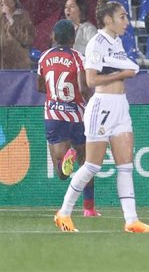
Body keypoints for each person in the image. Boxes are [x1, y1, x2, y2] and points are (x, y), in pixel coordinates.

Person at [54, 0, 149, 233]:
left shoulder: (117, 41)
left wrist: (124, 71)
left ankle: (131, 220)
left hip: (121, 106)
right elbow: (91, 80)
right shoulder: (96, 43)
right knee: (92, 165)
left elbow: (127, 69)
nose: (126, 21)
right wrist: (121, 73)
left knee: (126, 167)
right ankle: (64, 212)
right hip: (101, 106)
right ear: (108, 19)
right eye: (122, 16)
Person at [37, 20, 99, 217]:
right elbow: (82, 88)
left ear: (54, 37)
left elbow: (40, 87)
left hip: (54, 115)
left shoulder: (44, 57)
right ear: (73, 38)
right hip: (77, 116)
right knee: (86, 163)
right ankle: (88, 208)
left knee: (62, 174)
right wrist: (90, 99)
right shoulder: (78, 58)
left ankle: (65, 161)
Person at [0, 0, 35, 70]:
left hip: (18, 68)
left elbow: (27, 41)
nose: (3, 0)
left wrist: (10, 19)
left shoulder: (24, 16)